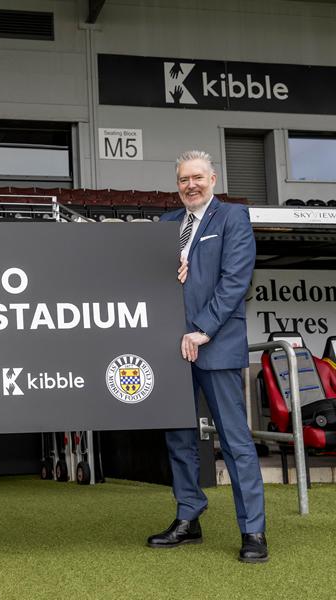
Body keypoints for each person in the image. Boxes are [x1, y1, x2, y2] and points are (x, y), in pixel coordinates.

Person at [148, 150, 268, 563]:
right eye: (184, 179)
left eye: (197, 177)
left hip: (214, 346)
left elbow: (235, 280)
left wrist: (203, 331)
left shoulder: (232, 218)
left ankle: (253, 530)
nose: (190, 185)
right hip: (172, 351)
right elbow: (149, 284)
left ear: (212, 178)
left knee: (235, 443)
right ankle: (188, 518)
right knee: (179, 440)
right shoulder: (166, 226)